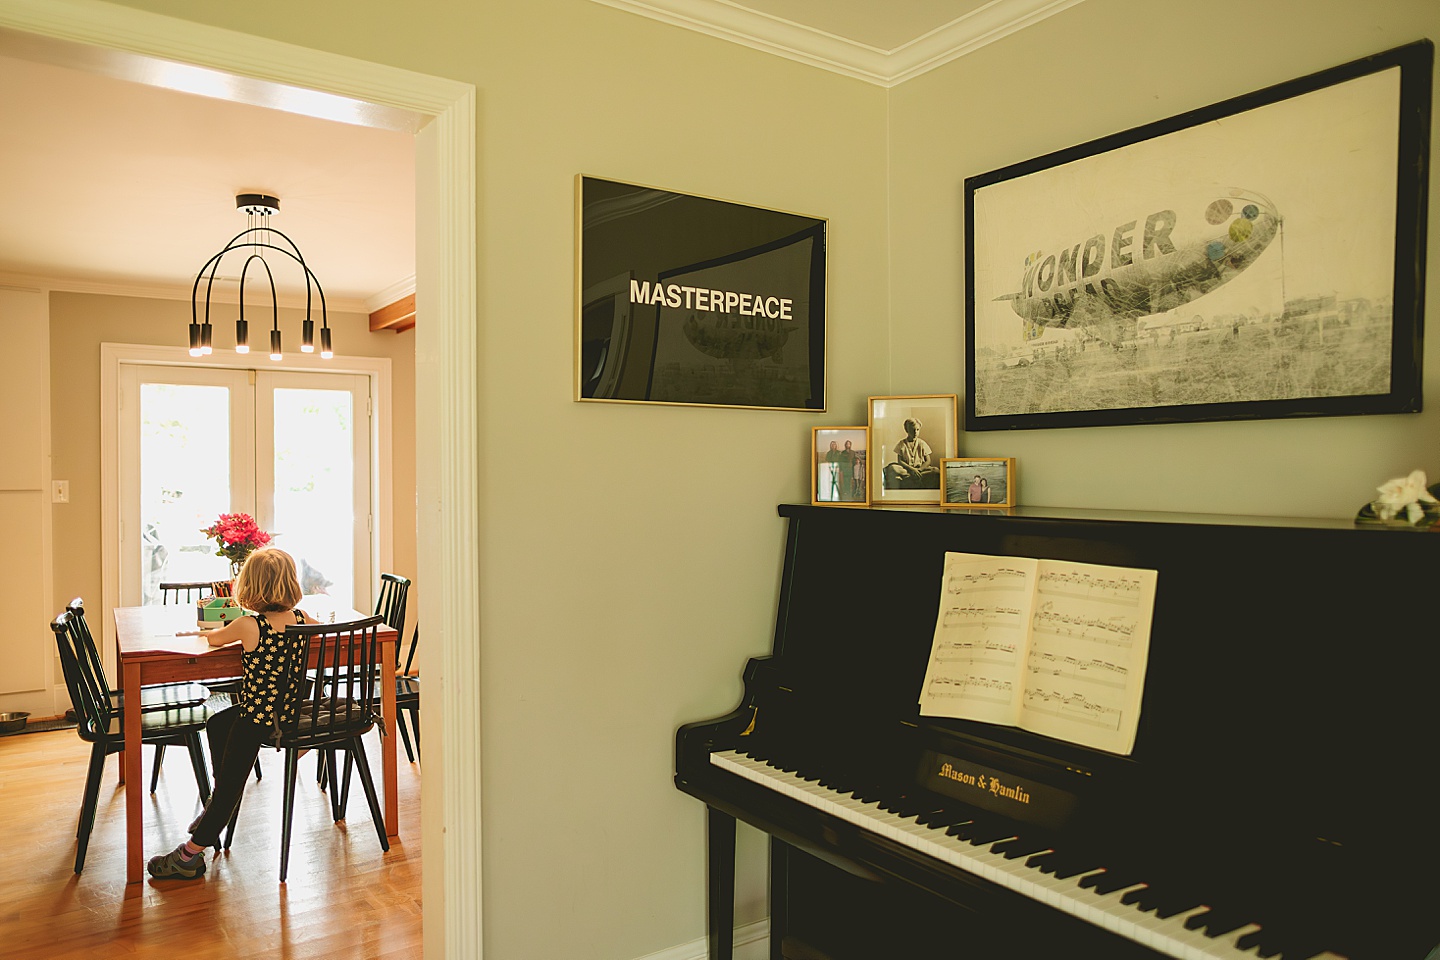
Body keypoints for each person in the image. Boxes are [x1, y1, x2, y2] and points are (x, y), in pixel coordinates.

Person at [146, 546, 321, 880]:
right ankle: (217, 797)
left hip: (258, 721)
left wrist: (205, 633)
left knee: (231, 787)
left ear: (249, 587)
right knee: (218, 720)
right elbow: (321, 631)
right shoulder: (302, 620)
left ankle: (190, 854)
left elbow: (214, 640)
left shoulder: (247, 625)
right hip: (286, 713)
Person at [883, 418, 940, 489]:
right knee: (893, 468)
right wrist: (912, 470)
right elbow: (900, 461)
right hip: (907, 469)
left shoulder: (922, 443)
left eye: (917, 430)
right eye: (912, 430)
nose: (915, 432)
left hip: (920, 469)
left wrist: (919, 470)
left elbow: (928, 461)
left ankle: (911, 477)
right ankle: (912, 476)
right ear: (907, 430)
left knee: (936, 470)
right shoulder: (901, 444)